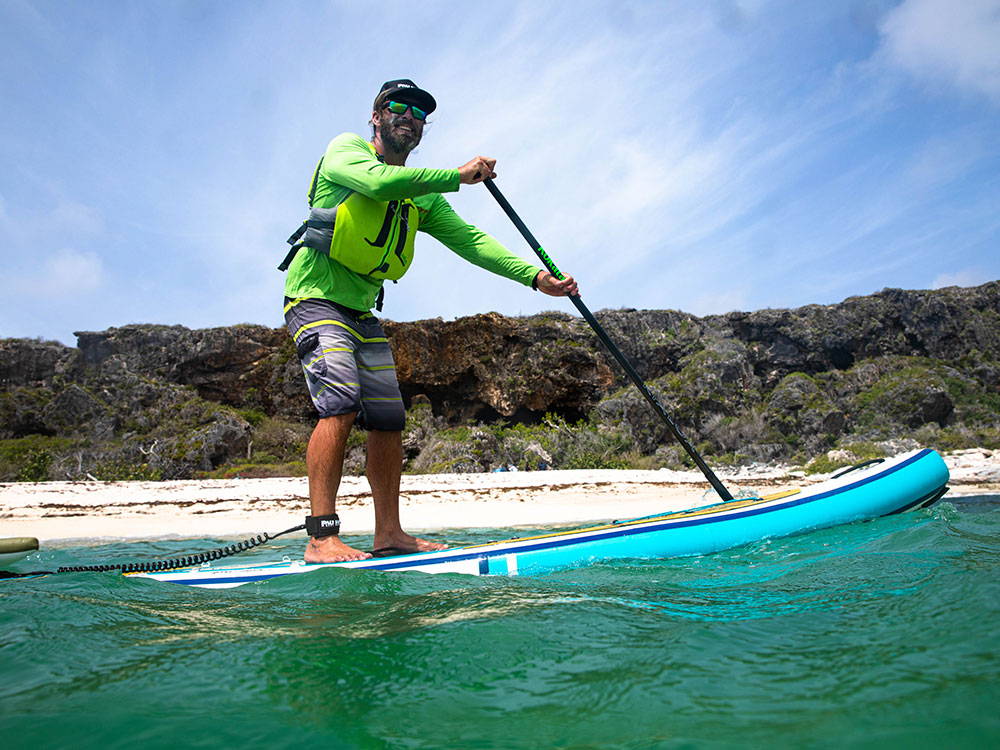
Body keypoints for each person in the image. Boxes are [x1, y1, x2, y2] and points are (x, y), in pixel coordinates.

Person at [282, 79, 578, 563]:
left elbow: (472, 242)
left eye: (419, 112)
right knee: (340, 401)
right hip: (314, 299)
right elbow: (378, 184)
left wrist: (535, 278)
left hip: (362, 313)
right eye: (396, 106)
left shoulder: (423, 197)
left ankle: (389, 533)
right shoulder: (346, 151)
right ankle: (321, 536)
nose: (408, 115)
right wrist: (457, 176)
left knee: (388, 419)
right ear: (375, 117)